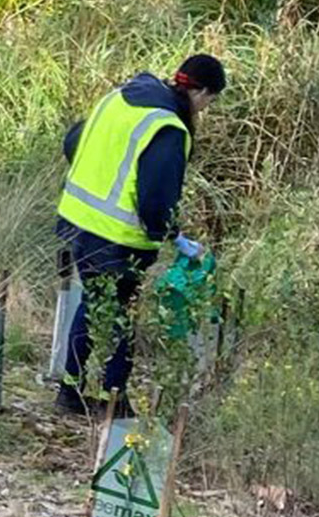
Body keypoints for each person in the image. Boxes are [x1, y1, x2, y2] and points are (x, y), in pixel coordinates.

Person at [54, 52, 227, 414]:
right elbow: (155, 200)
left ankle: (70, 390)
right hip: (115, 237)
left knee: (94, 303)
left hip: (76, 218)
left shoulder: (123, 97)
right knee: (120, 312)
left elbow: (73, 142)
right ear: (201, 93)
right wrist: (171, 235)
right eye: (210, 101)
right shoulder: (167, 128)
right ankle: (113, 398)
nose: (205, 109)